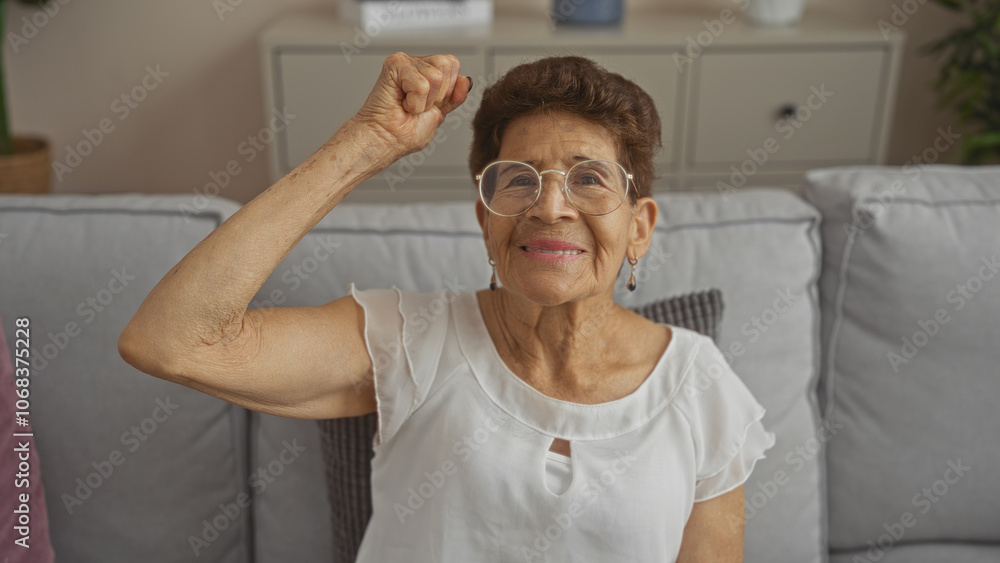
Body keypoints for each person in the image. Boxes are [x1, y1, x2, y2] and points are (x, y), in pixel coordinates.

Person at [118, 52, 775, 562]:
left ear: (640, 227)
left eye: (589, 178)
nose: (549, 206)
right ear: (486, 218)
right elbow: (170, 339)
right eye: (518, 180)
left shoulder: (699, 384)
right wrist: (368, 142)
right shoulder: (412, 337)